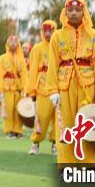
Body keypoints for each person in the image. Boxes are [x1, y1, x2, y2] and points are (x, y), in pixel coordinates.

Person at [45, 0, 95, 164]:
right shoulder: (57, 36)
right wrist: (53, 90)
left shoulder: (94, 35)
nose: (74, 13)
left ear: (84, 12)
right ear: (65, 12)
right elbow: (52, 64)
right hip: (64, 87)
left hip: (87, 86)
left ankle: (89, 164)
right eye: (70, 10)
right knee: (65, 127)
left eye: (78, 10)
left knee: (88, 124)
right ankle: (66, 165)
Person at [26, 20, 57, 155]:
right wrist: (32, 90)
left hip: (59, 87)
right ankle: (36, 143)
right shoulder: (37, 49)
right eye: (45, 31)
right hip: (42, 88)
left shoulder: (61, 46)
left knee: (58, 119)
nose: (48, 33)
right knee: (42, 117)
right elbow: (33, 70)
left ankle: (56, 144)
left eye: (50, 31)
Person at [0, 35, 27, 139]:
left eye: (15, 41)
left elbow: (24, 75)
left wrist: (25, 89)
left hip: (18, 89)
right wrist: (0, 90)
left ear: (18, 44)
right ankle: (9, 130)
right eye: (11, 41)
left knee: (19, 110)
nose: (13, 43)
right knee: (8, 109)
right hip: (7, 88)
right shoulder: (2, 58)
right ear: (7, 44)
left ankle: (18, 130)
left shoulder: (21, 59)